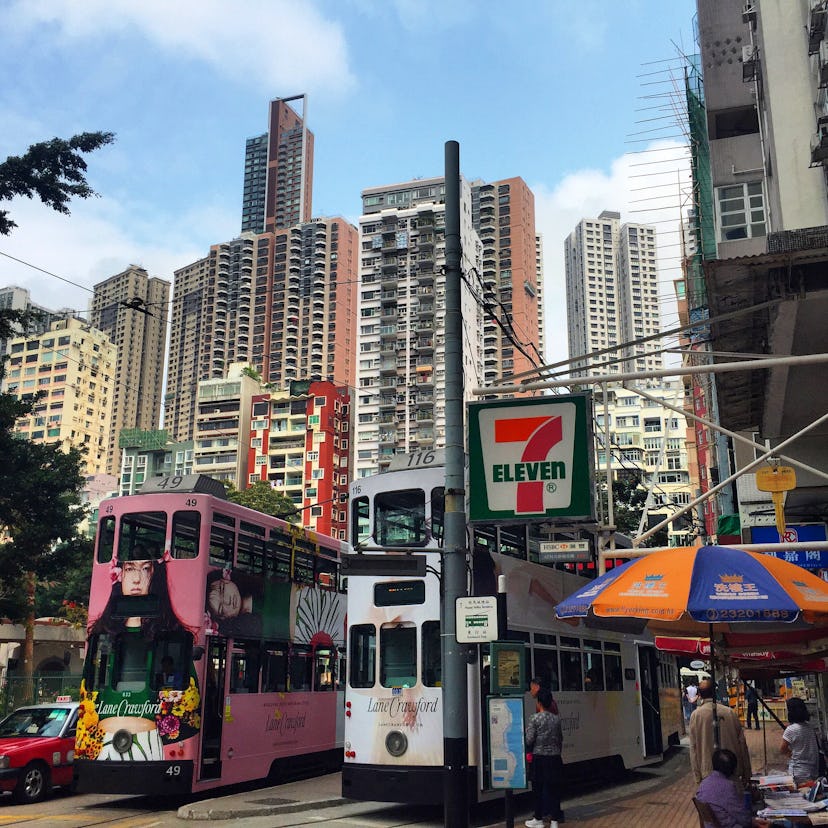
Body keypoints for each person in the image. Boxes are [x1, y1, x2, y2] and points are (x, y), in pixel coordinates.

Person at [690, 679, 752, 794]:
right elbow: (742, 744)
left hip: (707, 774)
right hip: (731, 771)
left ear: (700, 694)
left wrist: (697, 777)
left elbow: (693, 748)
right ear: (715, 692)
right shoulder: (729, 712)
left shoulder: (696, 715)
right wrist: (747, 773)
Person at [696, 748, 771, 828]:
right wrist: (752, 821)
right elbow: (743, 818)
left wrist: (752, 821)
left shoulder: (703, 784)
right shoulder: (727, 786)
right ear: (733, 769)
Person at [524, 688, 564, 828]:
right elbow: (560, 739)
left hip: (539, 758)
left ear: (539, 703)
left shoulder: (534, 719)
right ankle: (554, 821)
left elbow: (529, 740)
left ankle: (538, 819)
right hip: (554, 758)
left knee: (538, 790)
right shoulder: (556, 719)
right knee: (553, 790)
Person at [205, 568, 264, 637]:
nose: (228, 601)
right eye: (221, 608)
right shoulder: (253, 629)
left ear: (226, 578)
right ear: (223, 618)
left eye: (222, 589)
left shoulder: (264, 586)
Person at [780, 697, 821, 785]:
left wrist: (791, 755)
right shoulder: (810, 727)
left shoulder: (791, 730)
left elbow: (783, 749)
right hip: (813, 770)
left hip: (798, 773)